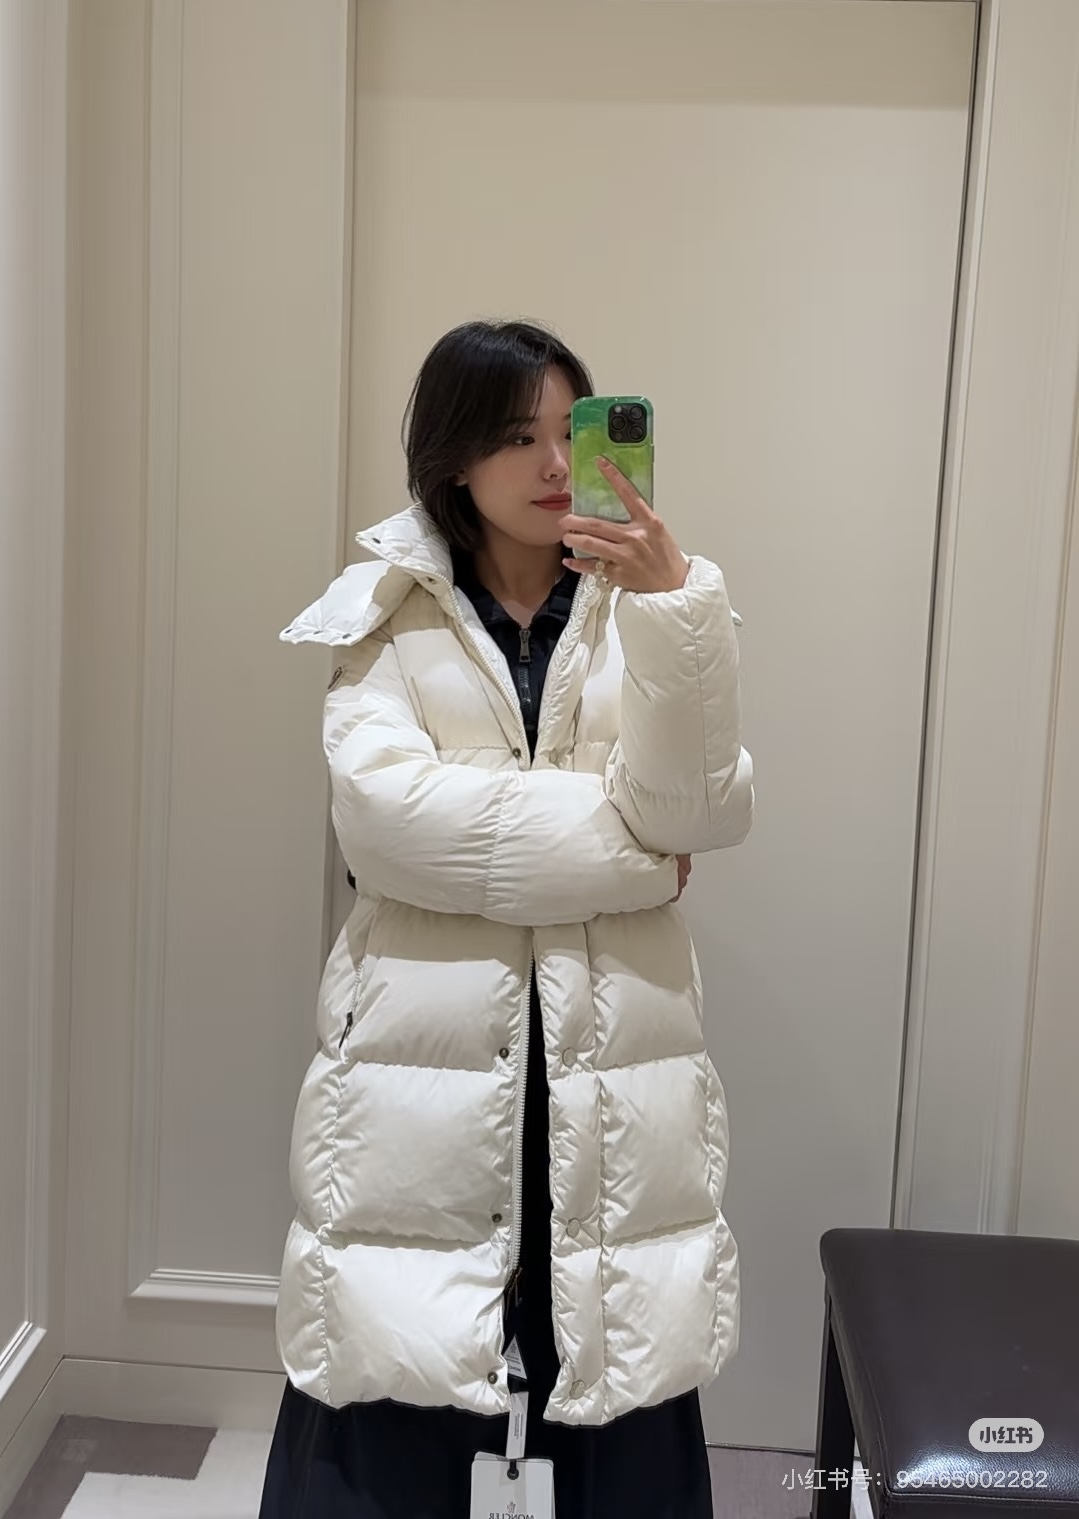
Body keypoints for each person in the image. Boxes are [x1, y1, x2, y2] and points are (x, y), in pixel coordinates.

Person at [258, 318, 754, 1518]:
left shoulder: (657, 608)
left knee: (616, 1377)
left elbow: (703, 807)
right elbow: (388, 827)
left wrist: (671, 605)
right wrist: (635, 860)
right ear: (453, 456)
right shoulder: (384, 615)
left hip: (614, 1063)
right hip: (417, 1072)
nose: (553, 463)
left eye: (570, 428)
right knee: (395, 1374)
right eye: (516, 435)